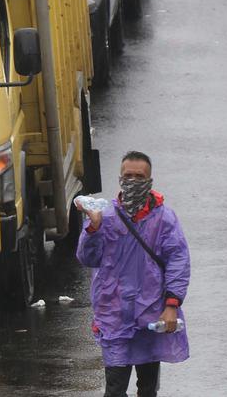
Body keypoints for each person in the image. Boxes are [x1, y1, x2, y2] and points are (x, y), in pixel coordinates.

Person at [77, 151, 190, 397]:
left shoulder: (165, 219)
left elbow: (178, 261)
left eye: (139, 176)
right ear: (120, 178)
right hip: (114, 316)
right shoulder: (104, 216)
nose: (133, 181)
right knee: (115, 390)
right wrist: (93, 229)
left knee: (147, 389)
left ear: (149, 181)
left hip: (150, 315)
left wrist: (172, 304)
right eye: (128, 176)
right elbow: (87, 258)